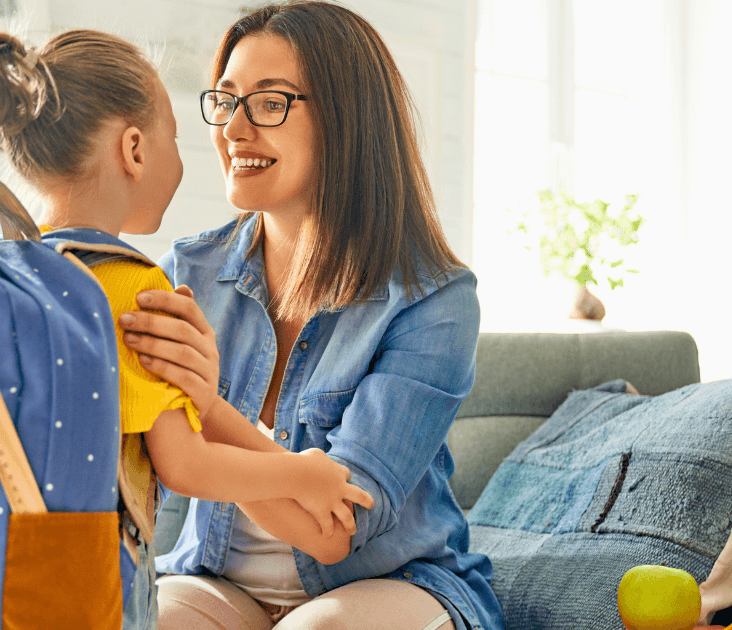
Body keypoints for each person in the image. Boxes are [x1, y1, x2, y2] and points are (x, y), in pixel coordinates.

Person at [0, 28, 372, 630]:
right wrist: (301, 471)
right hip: (90, 583)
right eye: (173, 139)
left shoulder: (3, 274)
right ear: (134, 151)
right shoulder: (130, 286)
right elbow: (185, 465)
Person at [115, 3, 505, 629]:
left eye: (269, 103)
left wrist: (208, 408)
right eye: (227, 99)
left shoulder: (435, 300)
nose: (234, 130)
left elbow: (338, 530)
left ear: (347, 121)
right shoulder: (185, 275)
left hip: (390, 584)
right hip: (218, 582)